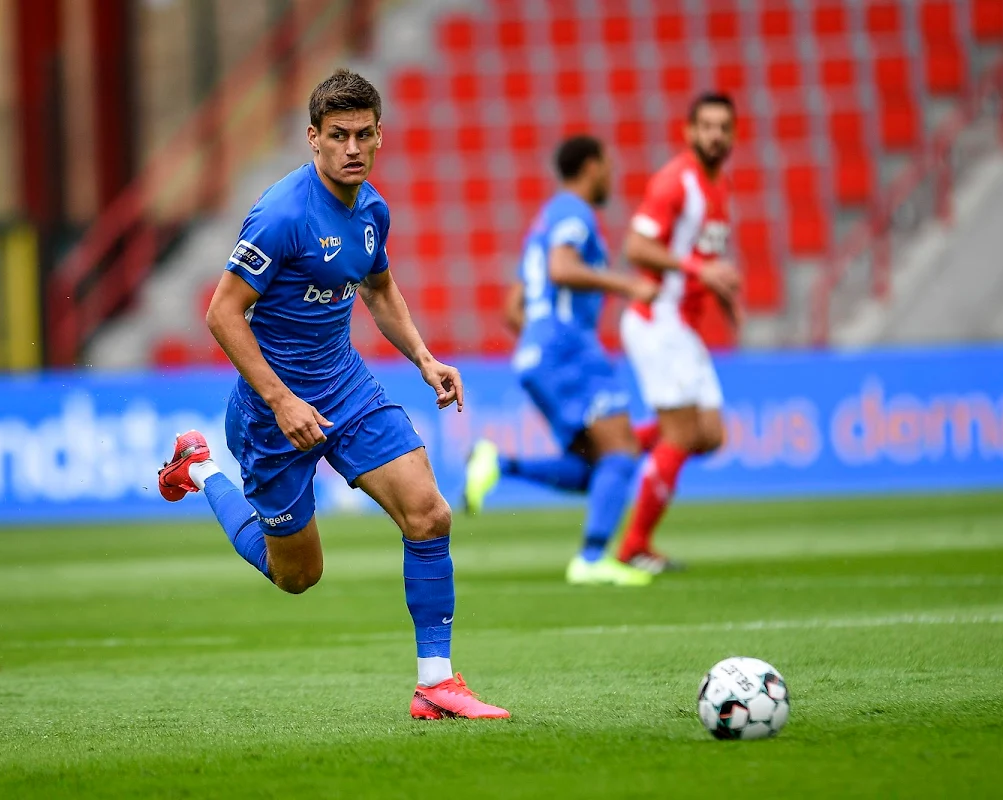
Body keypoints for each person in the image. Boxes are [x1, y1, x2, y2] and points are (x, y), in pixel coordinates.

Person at [155, 69, 508, 720]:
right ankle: (201, 467)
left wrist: (425, 358)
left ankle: (436, 683)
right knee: (297, 576)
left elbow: (378, 288)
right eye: (338, 135)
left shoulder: (372, 208)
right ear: (312, 138)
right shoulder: (282, 214)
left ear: (380, 138)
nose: (352, 147)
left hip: (345, 387)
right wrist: (282, 401)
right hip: (272, 413)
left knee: (429, 514)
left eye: (364, 135)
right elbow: (222, 314)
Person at [462, 135, 657, 587]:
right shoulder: (574, 212)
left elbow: (514, 305)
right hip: (569, 347)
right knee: (623, 449)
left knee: (594, 468)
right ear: (591, 166)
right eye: (609, 165)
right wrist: (629, 287)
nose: (612, 174)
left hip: (537, 351)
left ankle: (499, 464)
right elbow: (562, 270)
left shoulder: (544, 221)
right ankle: (591, 559)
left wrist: (539, 339)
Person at [615, 92, 743, 574]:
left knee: (708, 435)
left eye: (723, 127)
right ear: (689, 131)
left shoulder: (720, 186)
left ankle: (622, 447)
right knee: (683, 432)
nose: (715, 135)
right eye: (706, 126)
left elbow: (704, 262)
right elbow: (636, 245)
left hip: (683, 326)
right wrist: (698, 270)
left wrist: (724, 295)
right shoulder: (677, 181)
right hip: (656, 319)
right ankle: (634, 547)